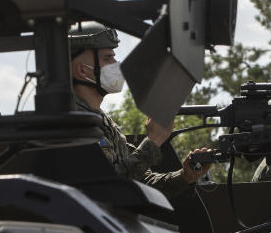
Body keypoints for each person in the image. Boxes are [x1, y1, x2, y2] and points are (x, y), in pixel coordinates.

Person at [68, 22, 211, 198]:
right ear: (82, 70)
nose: (116, 64)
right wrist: (153, 140)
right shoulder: (73, 124)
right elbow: (112, 187)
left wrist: (185, 177)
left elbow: (140, 181)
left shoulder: (102, 121)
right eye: (107, 58)